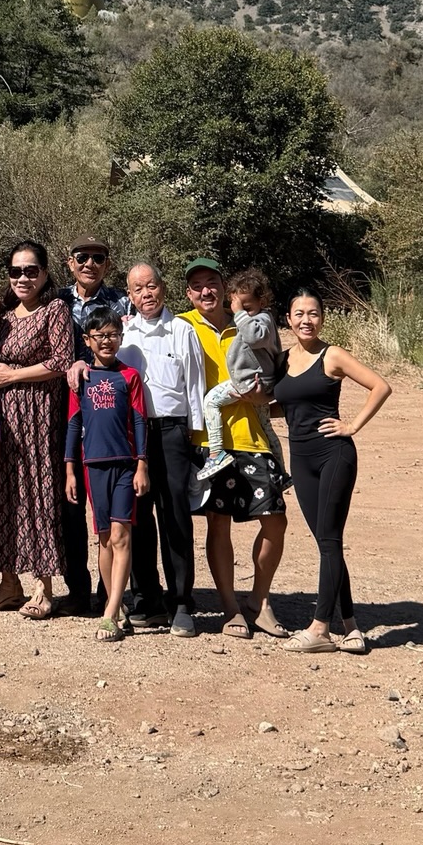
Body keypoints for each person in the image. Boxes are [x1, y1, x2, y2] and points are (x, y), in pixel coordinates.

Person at [275, 289, 391, 654]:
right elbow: (287, 405)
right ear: (288, 319)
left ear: (322, 318)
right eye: (299, 314)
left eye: (313, 313)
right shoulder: (281, 360)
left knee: (329, 541)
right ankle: (352, 627)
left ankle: (320, 628)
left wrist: (352, 425)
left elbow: (381, 386)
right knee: (329, 543)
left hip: (334, 455)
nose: (306, 320)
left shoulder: (333, 355)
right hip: (302, 459)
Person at [180, 257, 289, 640]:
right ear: (188, 294)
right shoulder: (182, 326)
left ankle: (259, 602)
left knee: (276, 521)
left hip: (254, 437)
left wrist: (271, 396)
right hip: (210, 443)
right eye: (197, 286)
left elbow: (278, 367)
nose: (205, 291)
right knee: (218, 525)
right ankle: (230, 607)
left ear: (225, 287)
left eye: (212, 282)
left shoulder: (251, 322)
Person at [0, 240, 73, 620]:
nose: (23, 277)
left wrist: (13, 375)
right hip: (6, 420)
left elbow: (62, 361)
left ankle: (43, 586)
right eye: (16, 271)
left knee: (39, 494)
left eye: (31, 270)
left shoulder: (55, 310)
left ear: (45, 274)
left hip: (41, 416)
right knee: (3, 494)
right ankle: (8, 582)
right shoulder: (4, 318)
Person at [119, 262, 206, 637]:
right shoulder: (124, 334)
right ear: (130, 296)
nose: (146, 295)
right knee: (136, 515)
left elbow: (196, 388)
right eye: (138, 289)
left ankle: (182, 601)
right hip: (133, 435)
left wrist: (197, 437)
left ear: (163, 288)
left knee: (174, 516)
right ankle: (146, 599)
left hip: (173, 433)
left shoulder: (182, 331)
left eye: (151, 286)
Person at [64, 311, 149, 642]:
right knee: (103, 539)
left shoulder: (130, 377)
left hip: (125, 465)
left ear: (121, 337)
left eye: (113, 334)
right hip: (92, 465)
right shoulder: (81, 379)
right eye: (99, 335)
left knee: (121, 535)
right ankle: (114, 603)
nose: (106, 341)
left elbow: (140, 421)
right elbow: (73, 425)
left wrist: (142, 464)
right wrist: (70, 469)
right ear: (88, 341)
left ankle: (111, 611)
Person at [58, 236, 132, 615]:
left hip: (113, 415)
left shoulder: (123, 302)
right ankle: (76, 589)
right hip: (64, 409)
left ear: (107, 263)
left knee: (119, 515)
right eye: (82, 257)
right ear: (70, 262)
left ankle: (114, 596)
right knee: (71, 507)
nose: (90, 263)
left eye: (98, 258)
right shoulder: (56, 300)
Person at [197, 267, 286, 480]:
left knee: (210, 402)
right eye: (237, 306)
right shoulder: (255, 318)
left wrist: (239, 314)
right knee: (265, 426)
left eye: (247, 306)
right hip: (258, 382)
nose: (241, 311)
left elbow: (254, 338)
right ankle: (280, 471)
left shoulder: (261, 320)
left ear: (262, 302)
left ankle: (216, 452)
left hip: (249, 381)